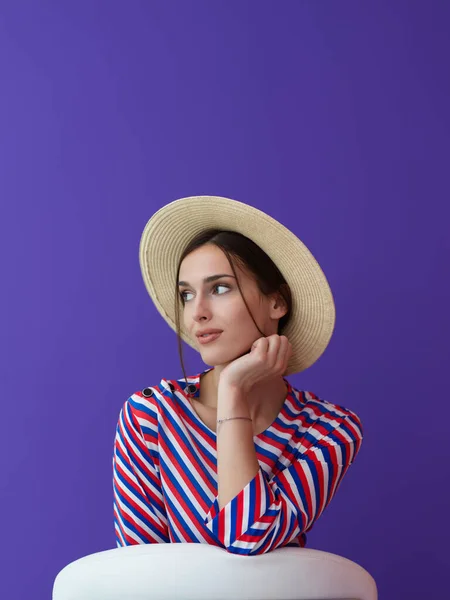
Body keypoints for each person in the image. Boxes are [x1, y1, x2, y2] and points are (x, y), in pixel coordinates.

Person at [112, 195, 363, 556]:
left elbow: (247, 536)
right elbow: (138, 573)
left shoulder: (328, 429)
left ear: (277, 302)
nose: (197, 312)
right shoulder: (150, 416)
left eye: (219, 288)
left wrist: (232, 392)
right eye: (186, 294)